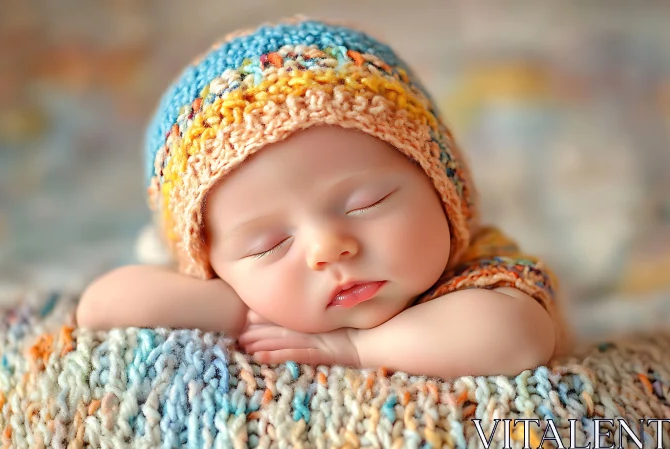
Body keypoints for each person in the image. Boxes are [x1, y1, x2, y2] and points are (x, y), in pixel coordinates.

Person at [75, 16, 570, 379]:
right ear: (214, 265)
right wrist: (225, 302)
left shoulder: (478, 269)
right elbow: (100, 306)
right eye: (267, 245)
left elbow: (515, 337)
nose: (327, 248)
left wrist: (354, 347)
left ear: (444, 188)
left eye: (366, 202)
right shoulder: (248, 295)